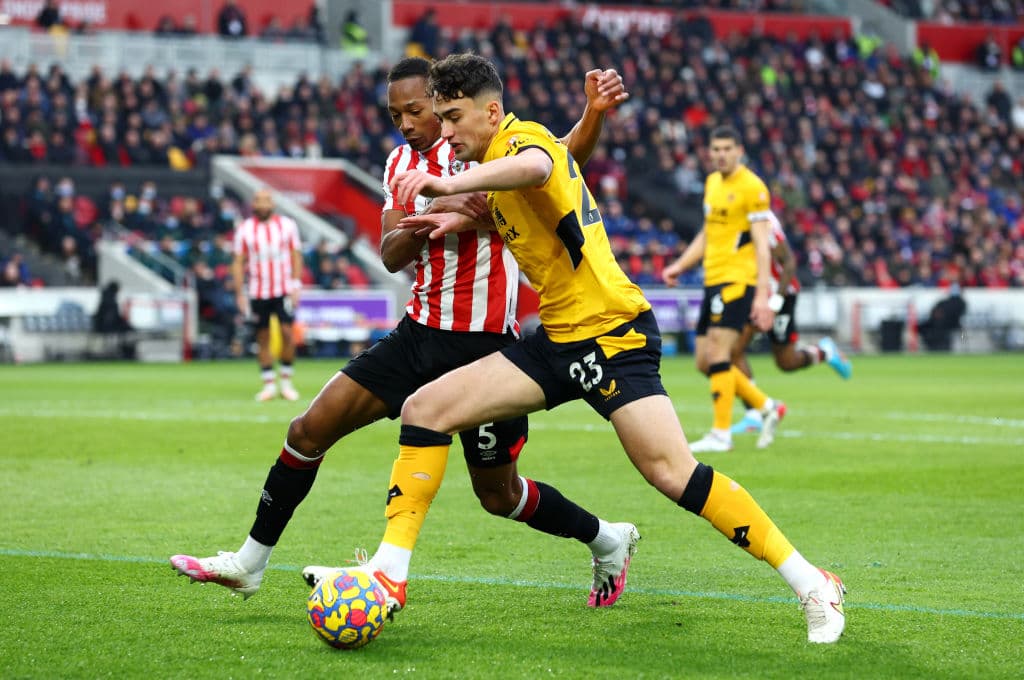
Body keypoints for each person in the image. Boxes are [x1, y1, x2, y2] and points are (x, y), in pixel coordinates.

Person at [368, 53, 845, 644]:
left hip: (613, 333)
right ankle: (388, 574)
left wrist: (447, 183)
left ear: (491, 112)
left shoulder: (521, 141)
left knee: (673, 474)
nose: (444, 133)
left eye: (453, 117)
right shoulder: (493, 157)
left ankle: (812, 582)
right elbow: (546, 173)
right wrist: (456, 219)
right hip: (557, 341)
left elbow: (540, 165)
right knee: (424, 410)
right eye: (437, 119)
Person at [170, 58, 642, 609]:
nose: (407, 124)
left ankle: (607, 538)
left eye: (416, 110)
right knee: (307, 430)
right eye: (396, 115)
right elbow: (392, 254)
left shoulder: (479, 146)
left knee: (499, 494)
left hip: (485, 345)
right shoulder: (400, 164)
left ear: (442, 103)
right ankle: (250, 563)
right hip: (418, 334)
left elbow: (557, 163)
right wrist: (428, 212)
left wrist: (592, 114)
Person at [661, 126, 787, 454]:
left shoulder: (753, 187)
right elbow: (708, 233)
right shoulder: (712, 183)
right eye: (715, 149)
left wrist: (762, 297)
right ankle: (766, 406)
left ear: (739, 150)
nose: (720, 154)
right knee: (705, 361)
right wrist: (681, 265)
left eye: (726, 148)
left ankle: (721, 434)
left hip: (738, 280)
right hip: (712, 279)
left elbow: (762, 246)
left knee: (719, 352)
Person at [728, 211, 853, 435]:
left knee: (786, 362)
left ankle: (824, 352)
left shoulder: (762, 218)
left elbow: (789, 263)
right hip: (754, 295)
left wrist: (775, 303)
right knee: (733, 350)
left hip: (780, 296)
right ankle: (755, 413)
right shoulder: (732, 212)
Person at [231, 189, 303, 401]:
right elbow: (237, 261)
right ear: (253, 205)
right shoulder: (244, 229)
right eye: (258, 201)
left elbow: (296, 255)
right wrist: (239, 293)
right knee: (262, 337)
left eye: (266, 201)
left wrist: (296, 284)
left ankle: (287, 383)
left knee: (287, 333)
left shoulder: (287, 226)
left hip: (283, 289)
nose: (262, 205)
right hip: (257, 291)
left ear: (272, 204)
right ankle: (269, 384)